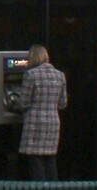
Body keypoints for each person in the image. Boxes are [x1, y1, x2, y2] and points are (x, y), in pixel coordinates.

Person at [17, 43, 67, 181]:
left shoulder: (31, 75)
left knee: (36, 163)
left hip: (35, 124)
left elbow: (23, 103)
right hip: (53, 124)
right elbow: (63, 103)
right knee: (50, 160)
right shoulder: (60, 75)